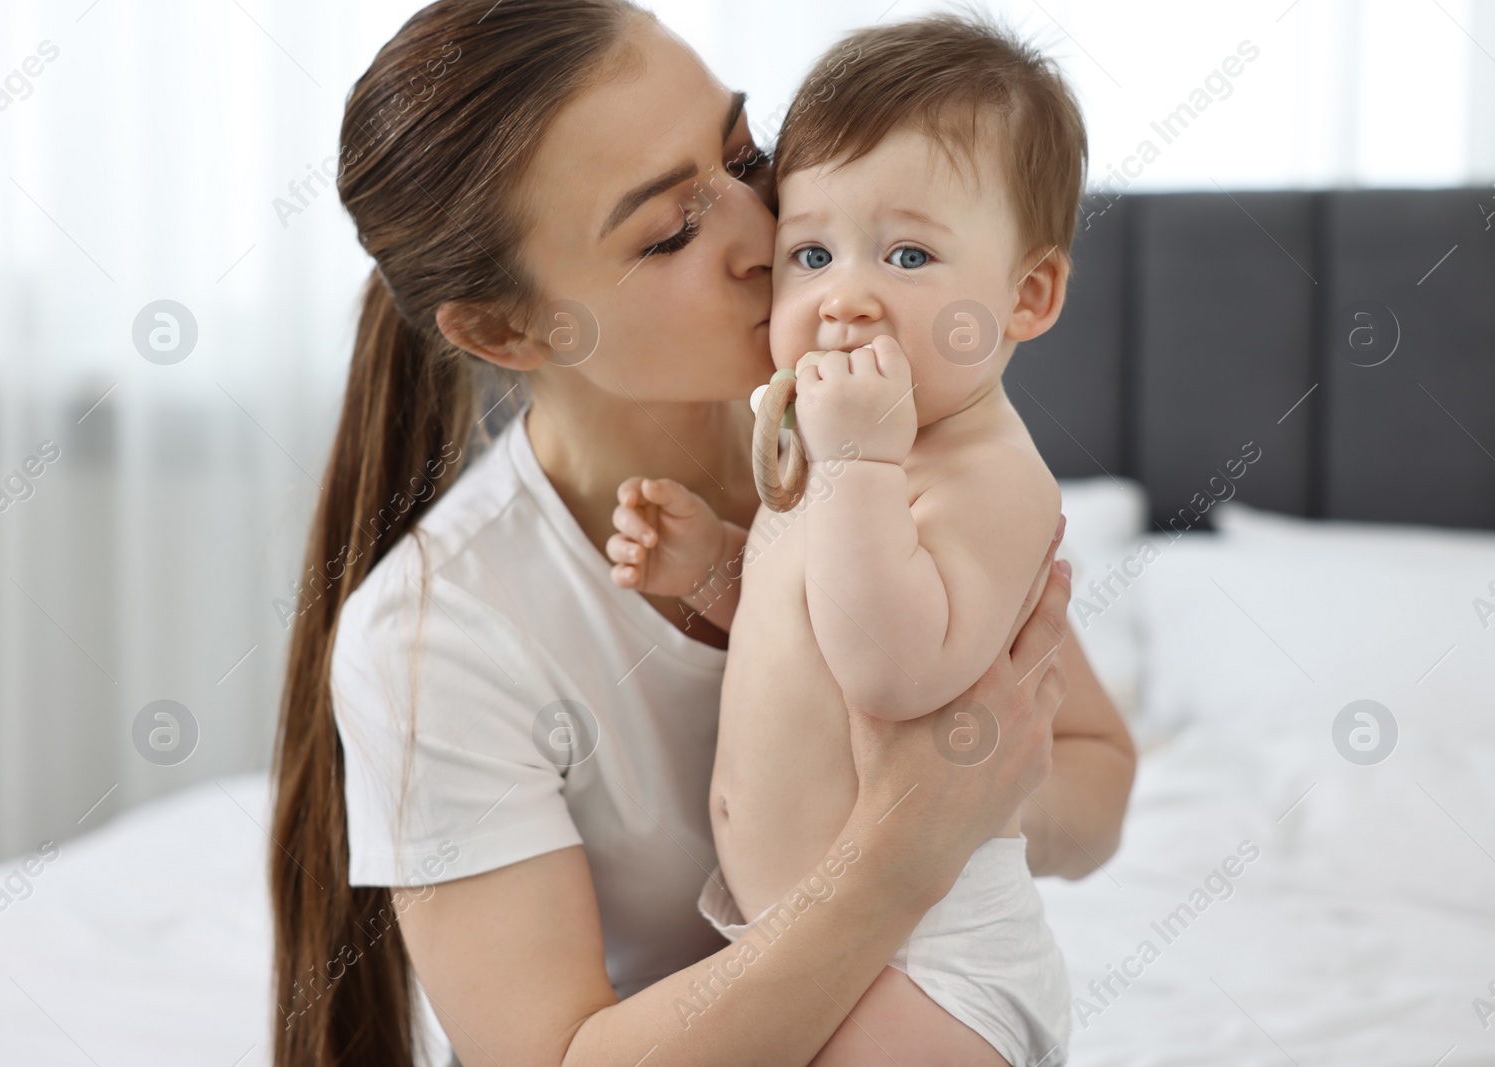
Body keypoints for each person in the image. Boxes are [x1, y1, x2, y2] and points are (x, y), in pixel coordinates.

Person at [266, 2, 1136, 1065]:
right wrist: (900, 846)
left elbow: (1094, 775)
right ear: (508, 328)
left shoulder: (872, 429)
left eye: (743, 154)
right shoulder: (434, 630)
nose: (756, 233)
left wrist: (977, 802)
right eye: (670, 230)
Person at [603, 14, 1084, 1065]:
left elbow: (892, 668)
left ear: (1026, 294)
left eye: (907, 253)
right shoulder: (840, 453)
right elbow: (819, 619)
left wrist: (859, 465)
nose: (844, 298)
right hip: (816, 936)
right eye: (809, 252)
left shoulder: (988, 476)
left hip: (931, 957)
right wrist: (718, 569)